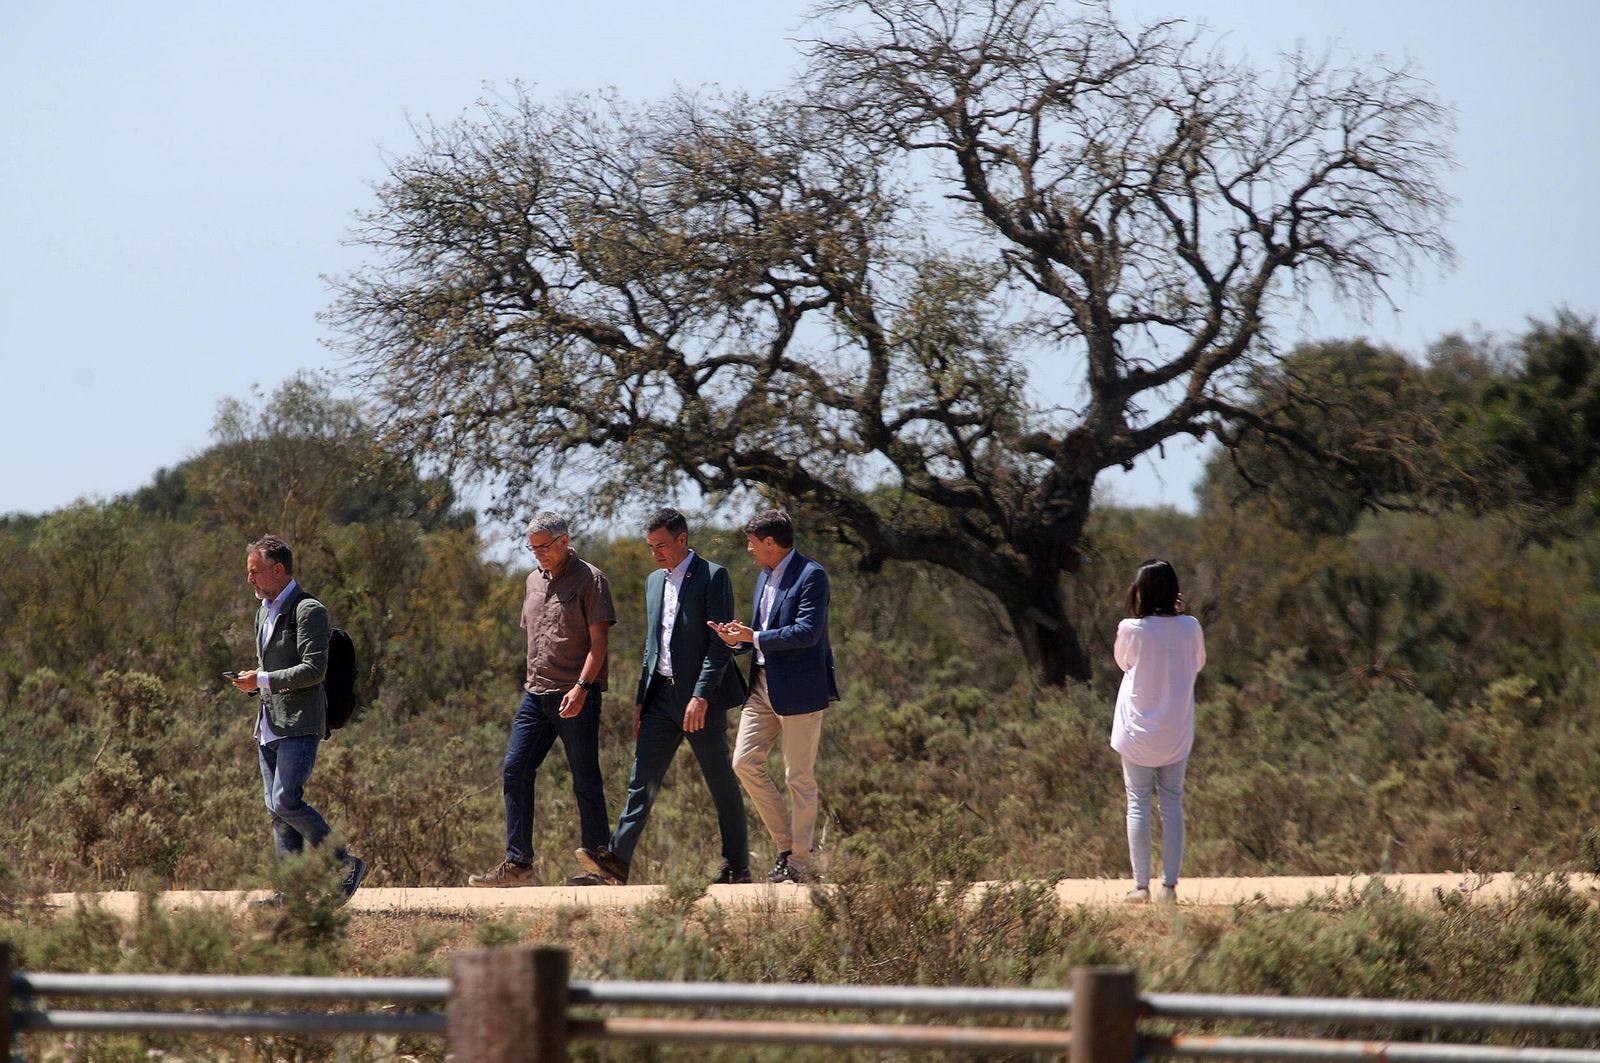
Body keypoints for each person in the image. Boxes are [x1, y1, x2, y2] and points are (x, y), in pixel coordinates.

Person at [575, 508, 751, 886]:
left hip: (699, 701)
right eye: (650, 546)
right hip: (660, 698)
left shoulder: (713, 576)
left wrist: (701, 695)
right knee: (641, 780)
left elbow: (720, 644)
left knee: (720, 781)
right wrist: (641, 699)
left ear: (682, 539)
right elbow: (651, 644)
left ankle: (737, 866)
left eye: (662, 545)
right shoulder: (653, 581)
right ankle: (617, 862)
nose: (655, 553)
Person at [470, 513, 617, 888]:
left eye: (544, 546)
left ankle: (599, 867)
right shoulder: (532, 581)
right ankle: (519, 864)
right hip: (535, 694)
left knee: (584, 778)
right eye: (532, 548)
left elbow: (599, 643)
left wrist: (582, 688)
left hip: (575, 694)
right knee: (515, 770)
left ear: (564, 541)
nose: (538, 554)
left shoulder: (591, 579)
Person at [229, 535, 368, 902]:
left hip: (300, 724)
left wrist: (261, 680)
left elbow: (313, 670)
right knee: (277, 811)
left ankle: (344, 864)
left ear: (278, 570)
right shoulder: (263, 611)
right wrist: (253, 684)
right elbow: (270, 665)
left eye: (255, 571)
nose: (250, 579)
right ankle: (290, 893)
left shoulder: (309, 611)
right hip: (268, 724)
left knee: (286, 801)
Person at [712, 509, 839, 884]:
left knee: (798, 778)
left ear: (770, 542)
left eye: (752, 543)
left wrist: (754, 637)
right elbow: (763, 633)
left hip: (799, 689)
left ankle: (800, 861)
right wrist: (737, 639)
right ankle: (788, 848)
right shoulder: (765, 575)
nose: (749, 549)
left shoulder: (811, 575)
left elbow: (807, 632)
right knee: (744, 763)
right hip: (762, 685)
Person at [1111, 558, 1206, 904]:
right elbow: (1198, 663)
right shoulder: (1191, 626)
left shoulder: (1131, 628)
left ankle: (1141, 887)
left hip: (1137, 730)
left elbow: (1123, 663)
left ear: (1142, 592)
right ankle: (1169, 887)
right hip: (1176, 730)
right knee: (1172, 804)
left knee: (1137, 804)